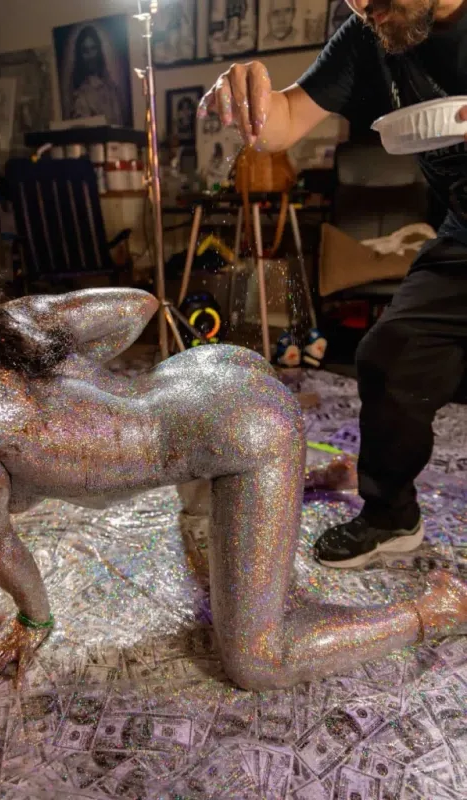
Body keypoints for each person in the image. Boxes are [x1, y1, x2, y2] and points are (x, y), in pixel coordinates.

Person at [0, 212, 465, 697]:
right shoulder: (16, 322)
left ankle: (437, 607)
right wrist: (80, 384)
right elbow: (137, 305)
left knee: (259, 661)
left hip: (249, 431)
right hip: (210, 371)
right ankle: (314, 479)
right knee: (194, 511)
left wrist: (34, 620)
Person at [200, 0, 467, 569]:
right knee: (391, 355)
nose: (360, 3)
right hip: (463, 236)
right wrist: (247, 96)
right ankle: (391, 517)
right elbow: (285, 120)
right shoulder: (370, 32)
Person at [69, 25, 124, 125]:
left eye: (93, 48)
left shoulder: (111, 87)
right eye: (85, 51)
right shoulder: (80, 97)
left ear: (98, 50)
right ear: (80, 55)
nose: (91, 55)